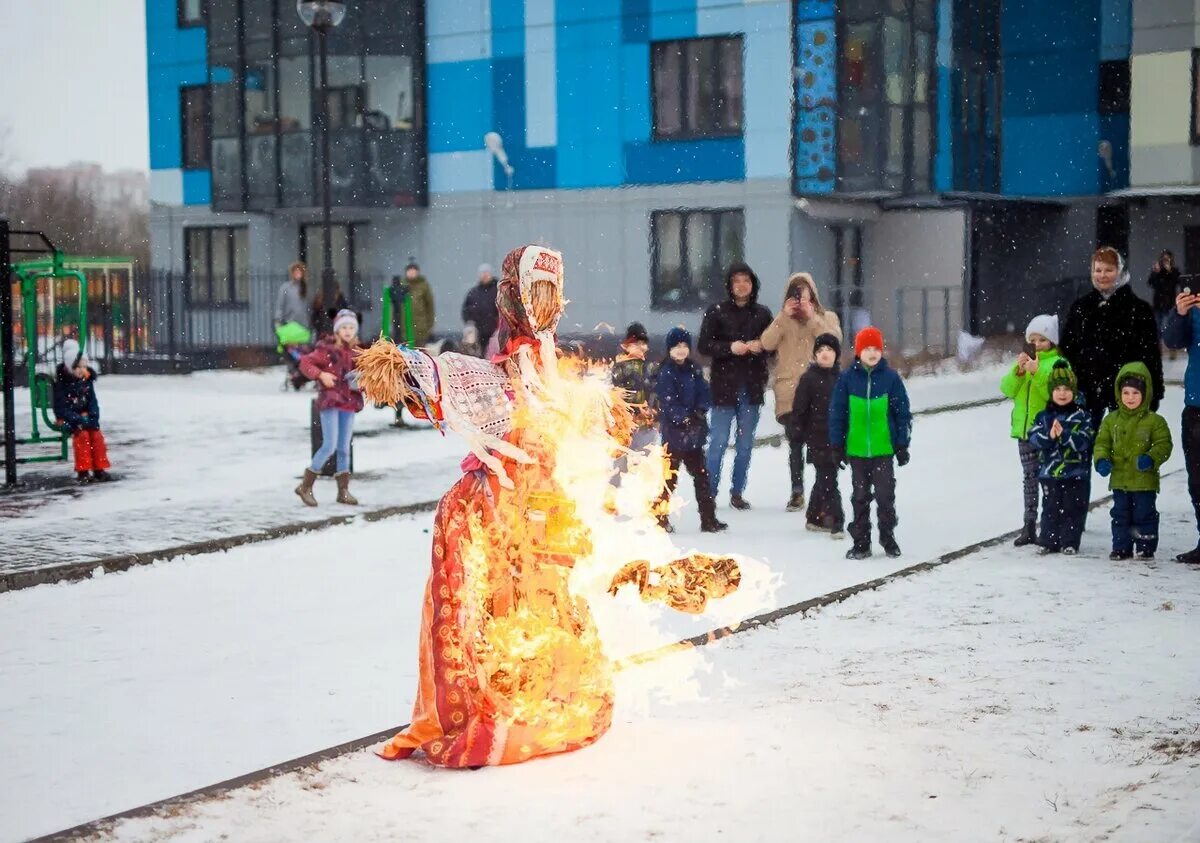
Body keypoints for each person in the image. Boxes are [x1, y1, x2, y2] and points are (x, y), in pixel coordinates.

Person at [760, 272, 843, 511]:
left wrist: (811, 318)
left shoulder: (826, 317)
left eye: (802, 291)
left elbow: (834, 340)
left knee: (820, 445)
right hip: (789, 392)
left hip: (820, 392)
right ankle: (797, 491)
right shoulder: (783, 319)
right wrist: (781, 318)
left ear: (812, 294)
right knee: (795, 442)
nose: (798, 297)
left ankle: (822, 490)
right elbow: (766, 343)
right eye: (794, 292)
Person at [828, 327, 912, 560]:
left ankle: (888, 537)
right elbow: (838, 414)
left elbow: (902, 412)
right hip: (857, 450)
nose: (872, 353)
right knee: (860, 496)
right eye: (867, 348)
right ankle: (861, 542)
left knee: (886, 496)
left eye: (876, 348)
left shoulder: (891, 379)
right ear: (858, 351)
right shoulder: (846, 380)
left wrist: (902, 444)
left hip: (883, 449)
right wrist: (837, 445)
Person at [1061, 246, 1163, 434]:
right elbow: (1067, 349)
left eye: (1109, 270)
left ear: (1120, 271)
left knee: (1123, 455)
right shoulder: (1080, 308)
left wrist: (1153, 393)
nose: (1102, 275)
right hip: (1086, 392)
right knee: (1080, 451)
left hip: (1127, 393)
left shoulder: (1138, 309)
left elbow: (1151, 356)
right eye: (1098, 270)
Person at [699, 262, 773, 510]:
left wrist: (760, 346)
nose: (742, 286)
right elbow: (704, 345)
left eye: (746, 281)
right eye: (737, 281)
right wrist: (729, 348)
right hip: (723, 387)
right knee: (718, 441)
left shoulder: (762, 314)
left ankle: (737, 492)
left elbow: (773, 345)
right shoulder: (716, 312)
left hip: (751, 386)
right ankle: (709, 492)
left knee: (744, 444)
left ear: (753, 285)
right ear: (730, 285)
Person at [1094, 363, 1173, 561]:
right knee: (1120, 514)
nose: (1130, 398)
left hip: (1144, 480)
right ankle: (1122, 547)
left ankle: (1145, 547)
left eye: (1135, 393)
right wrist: (1102, 459)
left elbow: (1164, 445)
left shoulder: (1155, 421)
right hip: (1120, 479)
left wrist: (1152, 458)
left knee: (1144, 514)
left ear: (1145, 394)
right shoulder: (1111, 420)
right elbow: (1101, 443)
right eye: (1126, 392)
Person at [999, 314, 1064, 547]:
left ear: (1052, 342)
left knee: (1049, 479)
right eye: (1033, 340)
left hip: (1046, 434)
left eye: (1042, 340)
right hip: (1024, 432)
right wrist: (1018, 372)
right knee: (1029, 480)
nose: (1037, 344)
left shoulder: (1057, 364)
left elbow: (1055, 395)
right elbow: (1007, 389)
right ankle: (1028, 524)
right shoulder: (1025, 364)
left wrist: (1037, 373)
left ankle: (1050, 525)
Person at [655, 327, 726, 534]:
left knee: (702, 477)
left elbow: (705, 392)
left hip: (694, 437)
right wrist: (683, 417)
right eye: (677, 346)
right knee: (668, 480)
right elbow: (668, 401)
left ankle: (708, 518)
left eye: (685, 346)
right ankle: (660, 518)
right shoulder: (666, 372)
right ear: (669, 349)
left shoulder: (693, 369)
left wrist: (700, 412)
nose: (681, 350)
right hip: (674, 436)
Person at [294, 310, 364, 507]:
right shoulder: (326, 349)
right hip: (331, 401)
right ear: (337, 330)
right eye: (344, 327)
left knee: (344, 448)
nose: (348, 331)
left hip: (349, 402)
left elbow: (365, 373)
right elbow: (305, 362)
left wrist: (363, 380)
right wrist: (321, 375)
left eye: (351, 327)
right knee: (329, 445)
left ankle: (343, 491)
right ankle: (306, 486)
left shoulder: (358, 351)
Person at [1026, 361, 1094, 556]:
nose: (1062, 393)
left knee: (1073, 508)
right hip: (1050, 473)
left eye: (1066, 389)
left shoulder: (1081, 416)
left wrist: (1065, 436)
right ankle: (1048, 540)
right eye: (1057, 389)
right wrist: (1050, 436)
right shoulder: (1044, 417)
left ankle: (1069, 541)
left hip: (1075, 473)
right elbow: (1034, 438)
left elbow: (1085, 440)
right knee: (1050, 508)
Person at [789, 332, 843, 536]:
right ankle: (837, 519)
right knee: (829, 478)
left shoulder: (842, 378)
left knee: (825, 477)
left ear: (836, 354)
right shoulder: (809, 379)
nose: (825, 354)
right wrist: (797, 431)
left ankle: (814, 516)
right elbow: (800, 409)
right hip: (817, 437)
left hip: (837, 438)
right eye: (820, 351)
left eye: (829, 350)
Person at [1164, 287, 1200, 564]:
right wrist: (1180, 313)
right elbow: (1173, 340)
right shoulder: (1193, 311)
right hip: (1196, 406)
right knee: (1197, 479)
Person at [52, 339, 112, 484]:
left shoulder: (86, 381)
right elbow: (61, 408)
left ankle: (99, 469)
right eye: (78, 367)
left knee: (96, 435)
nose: (82, 370)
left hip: (85, 417)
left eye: (84, 366)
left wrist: (93, 417)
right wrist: (77, 418)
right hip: (70, 418)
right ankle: (83, 471)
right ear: (69, 367)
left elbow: (93, 402)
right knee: (82, 436)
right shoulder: (62, 383)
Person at [610, 322, 658, 496]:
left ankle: (642, 500)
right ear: (626, 345)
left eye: (642, 344)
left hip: (647, 424)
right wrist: (632, 411)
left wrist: (655, 411)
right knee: (620, 464)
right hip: (624, 424)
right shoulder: (620, 366)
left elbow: (656, 391)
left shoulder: (651, 367)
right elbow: (617, 393)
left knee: (645, 463)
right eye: (635, 343)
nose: (639, 347)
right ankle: (612, 498)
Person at [1147, 250, 1182, 359]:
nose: (1165, 261)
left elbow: (1177, 282)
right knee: (1157, 329)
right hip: (1158, 304)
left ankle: (1172, 351)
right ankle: (1158, 352)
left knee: (1170, 327)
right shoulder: (1158, 271)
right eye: (1164, 259)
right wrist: (1155, 273)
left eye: (1167, 259)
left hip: (1170, 303)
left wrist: (1170, 271)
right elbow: (1151, 283)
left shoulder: (1174, 271)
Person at [461, 263, 500, 357]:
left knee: (493, 355)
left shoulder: (498, 291)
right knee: (478, 357)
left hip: (495, 332)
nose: (485, 275)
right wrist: (469, 322)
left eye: (487, 273)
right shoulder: (473, 292)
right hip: (478, 332)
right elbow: (465, 310)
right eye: (482, 273)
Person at [397, 261, 436, 347]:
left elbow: (430, 306)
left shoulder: (423, 286)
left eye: (413, 270)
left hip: (420, 329)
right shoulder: (401, 285)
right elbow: (396, 307)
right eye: (409, 270)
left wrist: (429, 325)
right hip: (404, 329)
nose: (411, 273)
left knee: (420, 353)